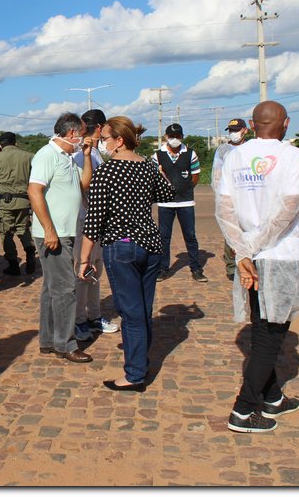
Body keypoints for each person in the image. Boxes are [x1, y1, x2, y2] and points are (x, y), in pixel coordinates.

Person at [215, 100, 299, 433]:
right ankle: (243, 410)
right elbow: (289, 208)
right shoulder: (292, 155)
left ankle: (272, 396)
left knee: (261, 326)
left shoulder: (233, 156)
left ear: (253, 126)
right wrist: (254, 247)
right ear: (286, 123)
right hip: (280, 255)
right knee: (270, 336)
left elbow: (224, 209)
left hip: (248, 256)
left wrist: (243, 251)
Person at [79, 116, 174, 390]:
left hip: (122, 246)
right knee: (142, 309)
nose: (103, 144)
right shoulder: (147, 167)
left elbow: (94, 219)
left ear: (119, 141)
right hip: (151, 245)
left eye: (105, 139)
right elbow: (168, 194)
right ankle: (139, 361)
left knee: (131, 312)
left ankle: (134, 375)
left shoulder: (107, 172)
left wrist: (84, 258)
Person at [28, 112, 93, 363]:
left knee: (52, 289)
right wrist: (49, 229)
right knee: (65, 290)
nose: (85, 138)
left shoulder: (68, 156)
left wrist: (86, 157)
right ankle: (66, 344)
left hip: (64, 232)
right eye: (83, 133)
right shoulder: (47, 155)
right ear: (72, 133)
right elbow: (34, 191)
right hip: (54, 234)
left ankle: (49, 341)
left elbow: (83, 184)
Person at [73, 109, 120, 340]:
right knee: (83, 271)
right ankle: (79, 320)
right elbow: (85, 188)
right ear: (100, 128)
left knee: (95, 271)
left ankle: (93, 316)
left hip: (97, 221)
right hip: (83, 221)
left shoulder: (95, 154)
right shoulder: (81, 153)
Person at [151, 123, 207, 282]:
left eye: (178, 136)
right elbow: (155, 178)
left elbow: (195, 176)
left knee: (190, 236)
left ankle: (196, 268)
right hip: (165, 204)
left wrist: (185, 189)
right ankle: (163, 268)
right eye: (171, 136)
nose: (174, 139)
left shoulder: (190, 153)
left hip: (186, 202)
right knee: (164, 237)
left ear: (182, 137)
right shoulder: (158, 155)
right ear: (166, 137)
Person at [0, 131, 37, 276]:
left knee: (6, 233)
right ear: (15, 142)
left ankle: (13, 265)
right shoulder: (29, 156)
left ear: (0, 144)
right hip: (24, 201)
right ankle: (30, 253)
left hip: (5, 203)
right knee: (23, 229)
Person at [211, 118, 249, 281]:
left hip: (248, 197)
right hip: (229, 198)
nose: (234, 134)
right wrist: (222, 198)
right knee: (231, 233)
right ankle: (232, 266)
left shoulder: (251, 148)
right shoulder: (223, 150)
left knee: (249, 231)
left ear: (245, 130)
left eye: (237, 130)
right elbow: (216, 175)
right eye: (231, 131)